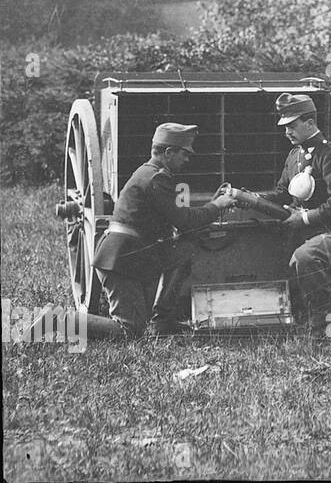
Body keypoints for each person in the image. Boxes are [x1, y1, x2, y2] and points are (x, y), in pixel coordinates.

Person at [86, 123, 236, 339]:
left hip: (129, 256)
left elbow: (176, 221)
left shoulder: (150, 173)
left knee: (183, 251)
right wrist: (218, 205)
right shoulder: (156, 178)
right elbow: (184, 220)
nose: (186, 160)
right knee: (129, 331)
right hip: (121, 261)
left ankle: (162, 322)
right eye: (184, 154)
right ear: (168, 152)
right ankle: (57, 321)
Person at [261, 93, 331, 333]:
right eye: (285, 127)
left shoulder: (330, 155)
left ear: (310, 123)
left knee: (305, 257)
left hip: (330, 234)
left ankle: (322, 326)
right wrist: (252, 198)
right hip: (301, 234)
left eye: (292, 126)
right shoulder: (294, 155)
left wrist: (303, 218)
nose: (287, 133)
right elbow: (282, 193)